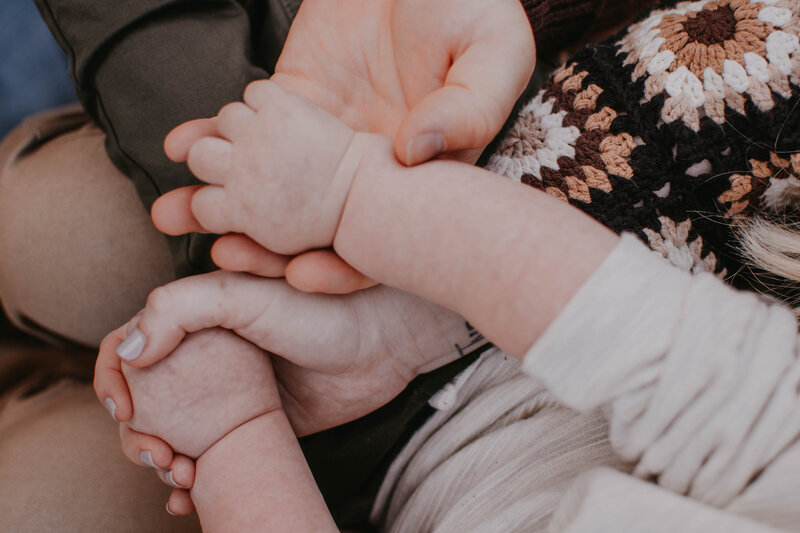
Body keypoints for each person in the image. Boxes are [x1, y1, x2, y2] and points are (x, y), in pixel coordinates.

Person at [96, 0, 800, 530]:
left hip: (362, 444)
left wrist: (235, 435)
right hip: (498, 248)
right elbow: (711, 376)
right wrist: (353, 196)